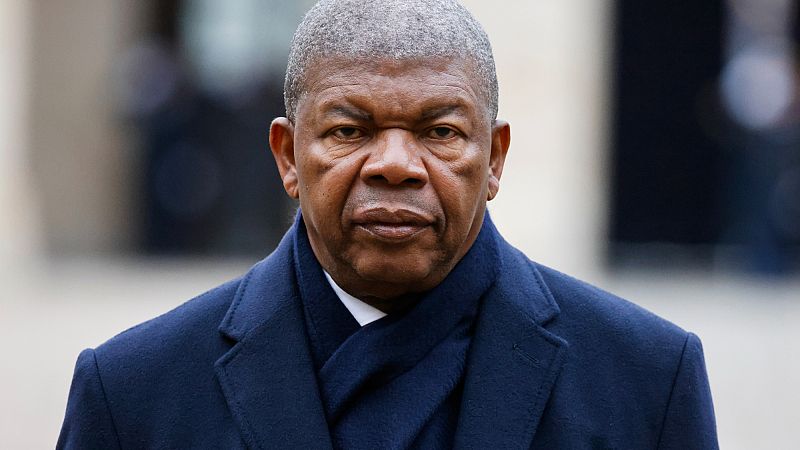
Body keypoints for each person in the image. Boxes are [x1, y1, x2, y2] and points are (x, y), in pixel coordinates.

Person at [57, 0, 718, 448]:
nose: (397, 165)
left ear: (495, 157)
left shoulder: (647, 381)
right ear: (288, 156)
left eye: (440, 131)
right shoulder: (133, 394)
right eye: (350, 130)